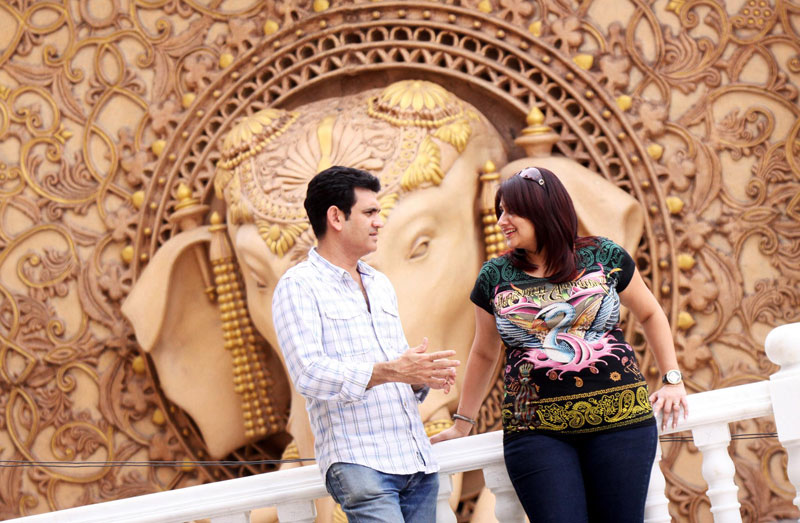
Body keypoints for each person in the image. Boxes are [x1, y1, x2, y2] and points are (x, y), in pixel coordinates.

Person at [431, 167, 688, 523]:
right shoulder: (495, 275)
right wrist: (463, 422)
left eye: (511, 212)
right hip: (536, 431)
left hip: (620, 421)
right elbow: (485, 352)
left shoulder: (604, 256)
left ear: (542, 210)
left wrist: (673, 378)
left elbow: (650, 313)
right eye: (499, 212)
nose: (503, 221)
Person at [272, 165, 459, 522]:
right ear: (336, 217)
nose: (379, 221)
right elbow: (309, 375)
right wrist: (391, 370)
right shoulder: (298, 286)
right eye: (370, 212)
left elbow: (392, 372)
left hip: (416, 460)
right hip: (361, 465)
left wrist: (418, 376)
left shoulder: (379, 283)